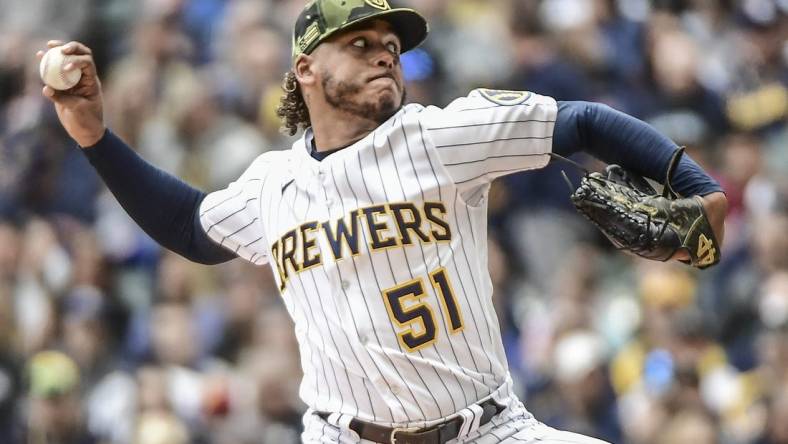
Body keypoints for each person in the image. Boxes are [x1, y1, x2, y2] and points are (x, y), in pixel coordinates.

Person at [38, 1, 727, 442]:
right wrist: (96, 137)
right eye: (360, 43)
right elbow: (191, 227)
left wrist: (700, 190)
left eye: (391, 44)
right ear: (306, 69)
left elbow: (582, 121)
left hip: (486, 430)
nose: (384, 53)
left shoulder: (439, 137)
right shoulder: (273, 185)